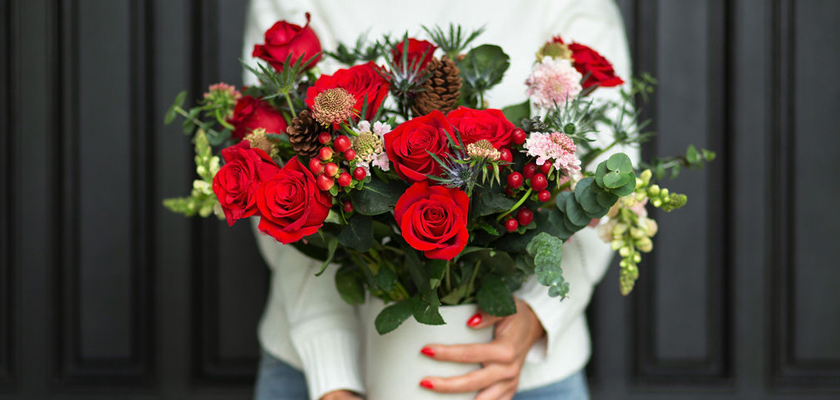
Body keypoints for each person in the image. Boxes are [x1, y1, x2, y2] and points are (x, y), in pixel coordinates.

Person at [241, 1, 636, 399]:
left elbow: (608, 189)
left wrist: (539, 312)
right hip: (312, 373)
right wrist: (332, 372)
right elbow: (277, 189)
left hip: (524, 371)